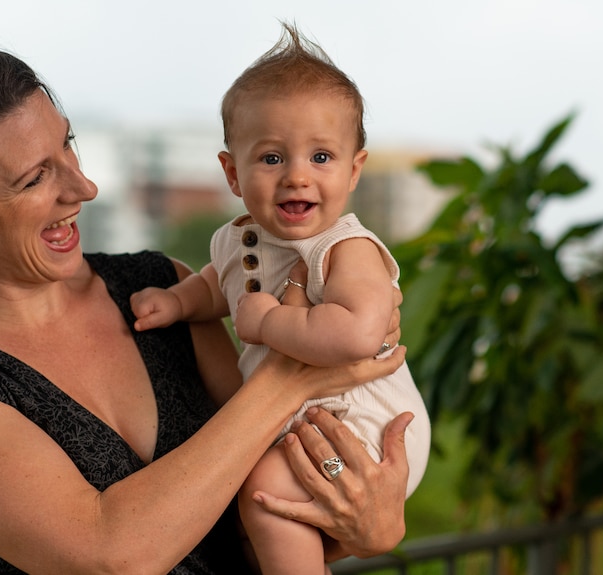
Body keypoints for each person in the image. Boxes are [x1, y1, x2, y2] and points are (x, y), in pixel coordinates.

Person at [0, 45, 415, 574]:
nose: (83, 187)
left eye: (67, 145)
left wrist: (365, 522)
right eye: (35, 177)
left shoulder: (160, 286)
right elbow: (111, 557)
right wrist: (289, 377)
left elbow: (265, 504)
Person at [129, 23, 431, 575]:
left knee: (265, 489)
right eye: (271, 159)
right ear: (232, 172)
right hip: (306, 421)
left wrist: (268, 324)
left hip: (363, 425)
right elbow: (217, 287)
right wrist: (176, 302)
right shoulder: (234, 239)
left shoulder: (346, 248)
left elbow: (359, 335)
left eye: (321, 157)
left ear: (354, 169)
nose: (297, 176)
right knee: (261, 498)